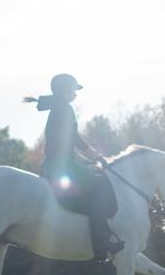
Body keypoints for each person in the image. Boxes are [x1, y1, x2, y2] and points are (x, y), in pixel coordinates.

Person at [26, 73, 124, 262]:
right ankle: (101, 241)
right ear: (64, 90)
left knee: (94, 177)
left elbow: (64, 144)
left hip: (59, 163)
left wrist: (85, 161)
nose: (75, 94)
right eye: (73, 89)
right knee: (98, 184)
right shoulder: (64, 108)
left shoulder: (59, 108)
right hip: (60, 166)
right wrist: (95, 155)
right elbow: (74, 139)